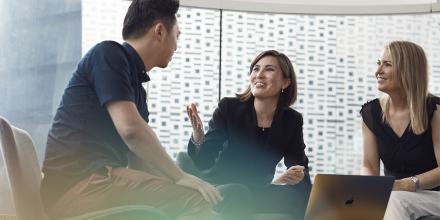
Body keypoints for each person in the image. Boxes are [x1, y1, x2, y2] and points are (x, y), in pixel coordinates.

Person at [40, 0, 221, 219]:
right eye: (178, 35)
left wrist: (182, 181)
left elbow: (139, 159)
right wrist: (180, 177)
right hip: (79, 185)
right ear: (160, 31)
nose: (176, 46)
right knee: (194, 200)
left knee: (190, 195)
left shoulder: (136, 90)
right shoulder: (109, 54)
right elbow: (131, 130)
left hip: (97, 181)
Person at [186, 50, 311, 220]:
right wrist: (199, 137)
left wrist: (299, 177)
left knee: (302, 197)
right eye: (256, 69)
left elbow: (300, 167)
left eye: (269, 70)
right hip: (221, 187)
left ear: (285, 82)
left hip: (258, 190)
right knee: (239, 193)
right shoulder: (229, 108)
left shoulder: (292, 120)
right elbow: (204, 161)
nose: (259, 75)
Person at [360, 41, 440, 220]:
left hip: (434, 196)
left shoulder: (435, 109)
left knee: (393, 200)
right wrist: (366, 186)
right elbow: (369, 165)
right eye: (378, 63)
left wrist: (406, 185)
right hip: (395, 193)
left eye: (387, 64)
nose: (378, 71)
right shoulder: (371, 113)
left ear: (408, 70)